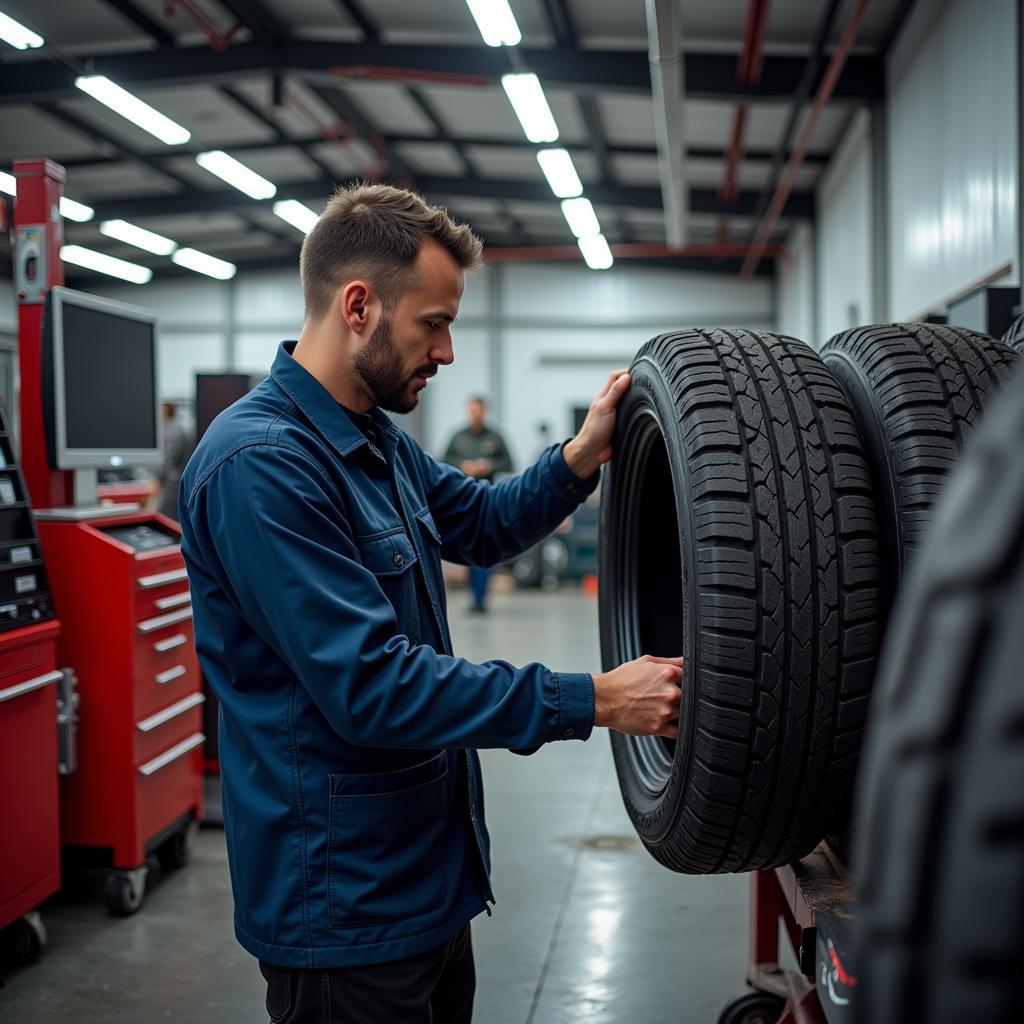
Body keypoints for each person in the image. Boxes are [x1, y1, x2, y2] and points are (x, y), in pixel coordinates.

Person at [178, 183, 682, 1024]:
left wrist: (581, 455)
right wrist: (592, 700)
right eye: (434, 323)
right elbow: (373, 686)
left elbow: (481, 523)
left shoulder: (376, 439)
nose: (446, 351)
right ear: (359, 306)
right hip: (342, 907)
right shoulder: (260, 466)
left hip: (425, 882)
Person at [442, 396, 513, 612]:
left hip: (486, 501)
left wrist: (488, 465)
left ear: (484, 411)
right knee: (467, 549)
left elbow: (509, 463)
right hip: (462, 501)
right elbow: (443, 460)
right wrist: (463, 465)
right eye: (472, 410)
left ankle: (481, 598)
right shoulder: (458, 437)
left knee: (485, 547)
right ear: (468, 411)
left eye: (479, 410)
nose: (475, 413)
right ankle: (475, 596)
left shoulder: (495, 437)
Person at [155, 401, 192, 521]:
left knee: (166, 518)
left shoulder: (173, 431)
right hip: (174, 481)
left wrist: (159, 479)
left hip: (172, 484)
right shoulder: (176, 429)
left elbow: (170, 460)